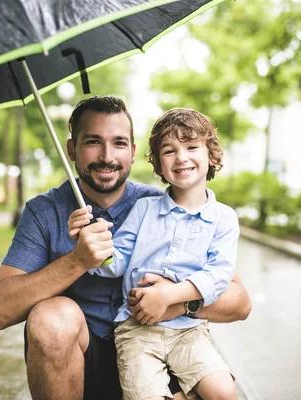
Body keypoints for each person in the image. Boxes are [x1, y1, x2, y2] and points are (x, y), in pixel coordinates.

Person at [0, 96, 252, 400]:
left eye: (119, 143)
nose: (107, 156)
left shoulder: (164, 205)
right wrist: (78, 260)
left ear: (134, 152)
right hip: (82, 361)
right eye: (92, 142)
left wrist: (173, 301)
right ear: (72, 149)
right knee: (52, 317)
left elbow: (239, 301)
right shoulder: (45, 211)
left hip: (163, 353)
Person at [68, 108, 238, 400]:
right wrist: (94, 248)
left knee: (224, 392)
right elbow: (117, 261)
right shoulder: (144, 208)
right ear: (159, 163)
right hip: (137, 331)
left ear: (211, 155)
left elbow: (218, 275)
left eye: (192, 147)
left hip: (189, 331)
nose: (181, 157)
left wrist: (168, 296)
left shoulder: (223, 218)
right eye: (169, 150)